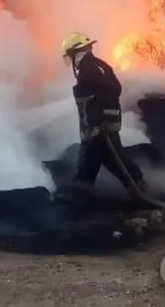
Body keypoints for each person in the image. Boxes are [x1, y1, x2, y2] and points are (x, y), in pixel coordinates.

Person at [59, 32, 147, 198]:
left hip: (98, 126)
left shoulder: (89, 69)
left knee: (92, 158)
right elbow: (113, 90)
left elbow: (102, 96)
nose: (72, 62)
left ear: (77, 52)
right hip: (102, 124)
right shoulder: (99, 66)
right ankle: (137, 184)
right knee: (109, 158)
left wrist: (100, 121)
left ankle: (80, 192)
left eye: (71, 56)